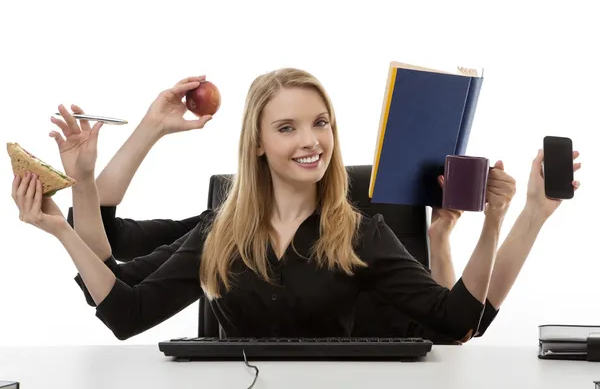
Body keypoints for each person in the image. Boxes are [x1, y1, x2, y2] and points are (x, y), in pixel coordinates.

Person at [11, 68, 579, 342]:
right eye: (287, 128)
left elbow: (459, 322)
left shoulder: (361, 234)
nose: (311, 141)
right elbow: (120, 302)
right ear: (258, 144)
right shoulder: (219, 233)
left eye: (320, 123)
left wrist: (510, 218)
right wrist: (68, 213)